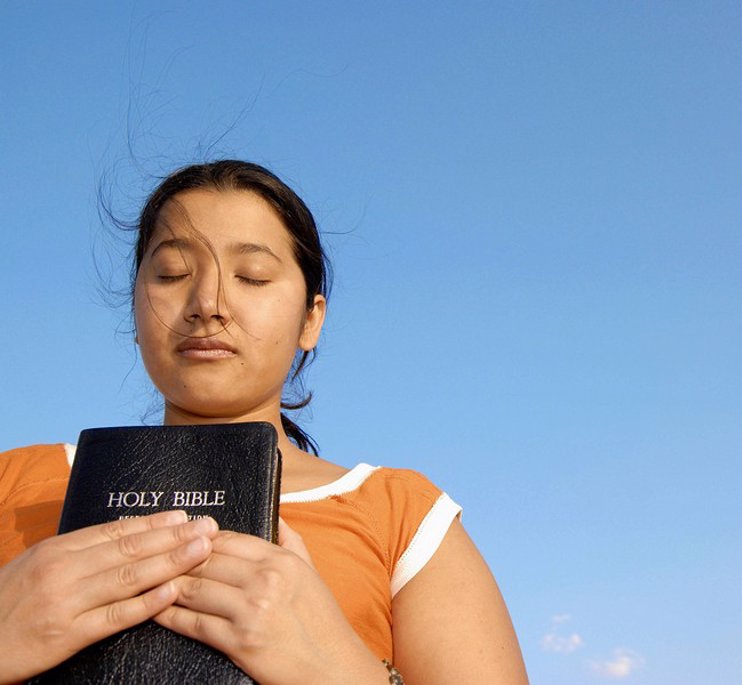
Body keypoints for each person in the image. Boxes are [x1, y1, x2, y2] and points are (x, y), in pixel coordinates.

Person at [0, 160, 529, 684]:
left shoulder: (403, 518)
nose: (207, 303)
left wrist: (338, 668)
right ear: (135, 307)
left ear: (310, 319)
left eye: (251, 277)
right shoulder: (15, 482)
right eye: (172, 274)